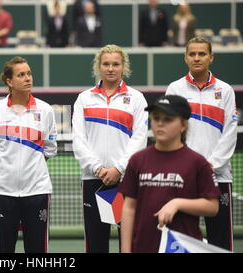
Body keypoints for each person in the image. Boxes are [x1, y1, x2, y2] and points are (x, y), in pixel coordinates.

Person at [119, 95, 220, 253]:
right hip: (143, 247)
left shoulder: (197, 162)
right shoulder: (137, 160)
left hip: (182, 248)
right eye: (156, 118)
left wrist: (177, 203)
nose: (160, 123)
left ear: (183, 125)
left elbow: (212, 206)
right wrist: (125, 250)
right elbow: (129, 208)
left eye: (168, 119)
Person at [72, 45, 148, 253]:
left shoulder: (137, 99)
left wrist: (119, 169)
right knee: (96, 245)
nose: (111, 68)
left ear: (124, 67)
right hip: (94, 181)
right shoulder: (84, 99)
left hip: (126, 181)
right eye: (106, 64)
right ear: (99, 66)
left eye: (116, 64)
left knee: (130, 244)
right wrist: (98, 168)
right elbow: (79, 139)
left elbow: (140, 140)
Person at [166, 37, 238, 251]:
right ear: (185, 58)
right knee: (182, 241)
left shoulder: (225, 91)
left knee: (220, 241)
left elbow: (230, 133)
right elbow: (169, 132)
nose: (197, 58)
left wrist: (210, 166)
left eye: (202, 54)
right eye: (192, 54)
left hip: (218, 177)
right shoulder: (175, 88)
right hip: (183, 177)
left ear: (211, 57)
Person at [0, 56, 57, 253]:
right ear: (9, 81)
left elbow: (50, 148)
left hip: (37, 192)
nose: (28, 78)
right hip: (3, 192)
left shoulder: (46, 110)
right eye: (21, 75)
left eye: (29, 74)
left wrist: (31, 165)